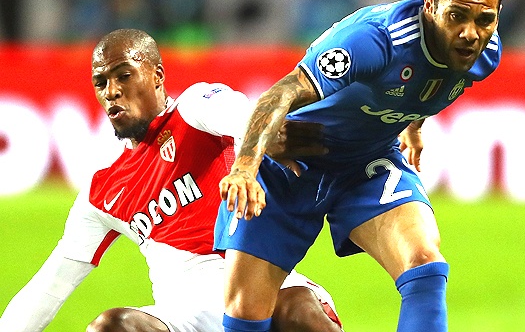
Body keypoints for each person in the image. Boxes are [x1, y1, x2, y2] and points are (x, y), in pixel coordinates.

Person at [216, 0, 509, 332]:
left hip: (367, 162)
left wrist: (413, 126)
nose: (470, 33)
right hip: (292, 159)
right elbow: (280, 94)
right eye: (457, 15)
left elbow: (428, 83)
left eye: (485, 19)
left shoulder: (485, 52)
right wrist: (244, 167)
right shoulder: (377, 40)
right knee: (247, 314)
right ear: (430, 5)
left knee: (424, 264)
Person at [0, 29, 342, 332]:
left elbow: (245, 116)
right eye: (101, 83)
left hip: (261, 290)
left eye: (124, 76)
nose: (112, 92)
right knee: (111, 327)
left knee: (297, 309)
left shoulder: (194, 111)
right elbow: (49, 287)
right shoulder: (100, 192)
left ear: (157, 76)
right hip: (186, 318)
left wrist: (262, 148)